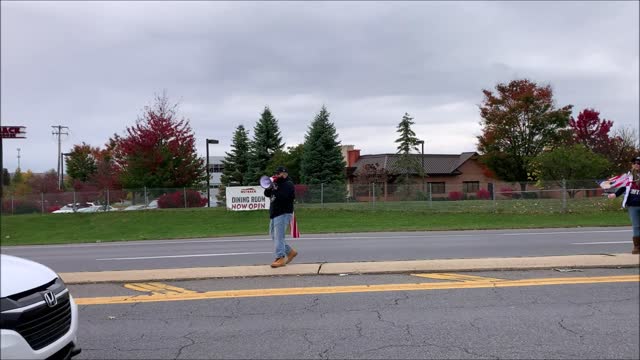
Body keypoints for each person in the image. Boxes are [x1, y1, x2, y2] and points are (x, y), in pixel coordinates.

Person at [264, 166, 298, 267]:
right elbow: (267, 194)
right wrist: (270, 187)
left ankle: (280, 258)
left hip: (283, 213)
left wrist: (275, 187)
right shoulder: (276, 184)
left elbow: (284, 196)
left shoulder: (288, 184)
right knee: (274, 236)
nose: (276, 175)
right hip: (275, 213)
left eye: (279, 173)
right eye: (276, 173)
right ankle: (290, 252)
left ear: (284, 174)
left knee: (279, 236)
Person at [608, 156, 640, 254]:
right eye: (635, 163)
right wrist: (615, 194)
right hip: (632, 205)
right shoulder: (628, 176)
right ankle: (637, 247)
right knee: (636, 226)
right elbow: (623, 188)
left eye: (639, 163)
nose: (637, 165)